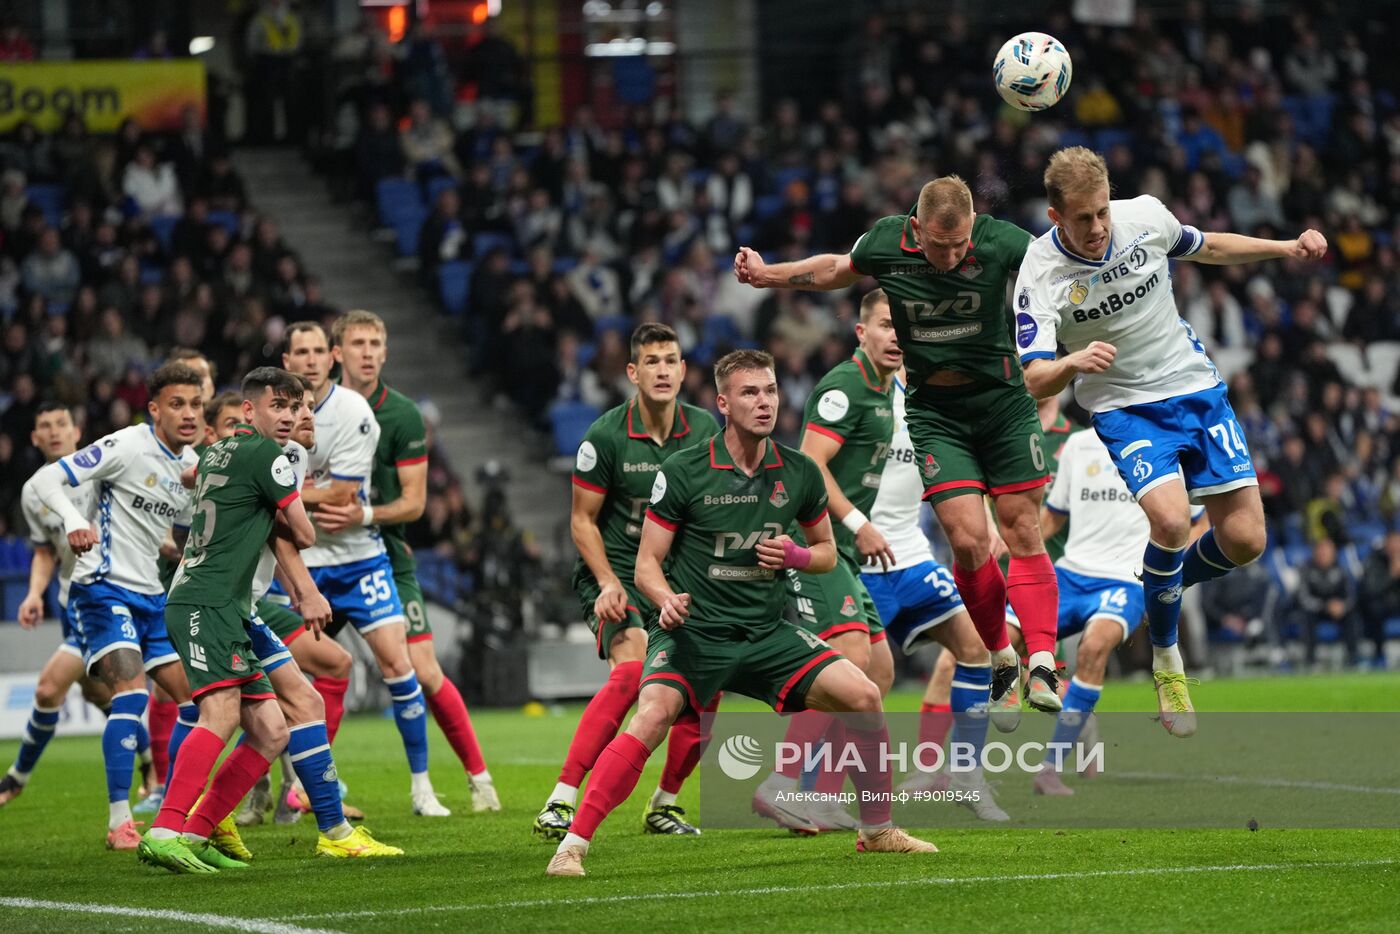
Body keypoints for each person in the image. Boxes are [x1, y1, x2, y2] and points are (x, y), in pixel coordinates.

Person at [546, 350, 935, 878]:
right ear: (723, 404)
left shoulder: (799, 471)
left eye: (770, 390)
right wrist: (666, 600)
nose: (765, 402)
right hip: (695, 633)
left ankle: (878, 830)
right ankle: (572, 845)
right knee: (652, 715)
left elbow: (826, 551)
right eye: (750, 392)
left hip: (767, 634)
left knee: (864, 695)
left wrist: (797, 555)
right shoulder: (684, 471)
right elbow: (646, 565)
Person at [1014, 146, 1327, 735]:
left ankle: (1158, 584)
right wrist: (1072, 362)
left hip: (1194, 387)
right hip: (1124, 407)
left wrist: (1285, 247)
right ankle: (1166, 661)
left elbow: (1208, 246)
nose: (1098, 227)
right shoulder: (1040, 271)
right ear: (1056, 217)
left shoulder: (1145, 217)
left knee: (1246, 540)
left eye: (1102, 211)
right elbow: (1033, 379)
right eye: (1082, 218)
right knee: (1172, 521)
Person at [734, 175, 1064, 714]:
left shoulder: (1002, 241)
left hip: (1004, 404)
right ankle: (1003, 658)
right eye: (939, 246)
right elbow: (836, 269)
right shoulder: (887, 244)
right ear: (916, 228)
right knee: (966, 543)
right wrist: (768, 274)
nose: (950, 258)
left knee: (1022, 529)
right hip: (936, 414)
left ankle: (1043, 662)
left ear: (973, 225)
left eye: (959, 246)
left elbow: (1063, 268)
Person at [754, 288, 996, 830]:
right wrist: (860, 525)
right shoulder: (845, 387)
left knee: (878, 672)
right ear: (861, 331)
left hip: (866, 552)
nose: (895, 336)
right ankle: (781, 783)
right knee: (848, 662)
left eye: (902, 326)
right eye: (885, 325)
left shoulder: (894, 391)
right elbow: (809, 465)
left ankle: (823, 794)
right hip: (820, 547)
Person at [197, 380, 401, 858]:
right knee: (218, 713)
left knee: (292, 710)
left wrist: (298, 589)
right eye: (290, 407)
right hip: (219, 605)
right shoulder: (268, 456)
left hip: (241, 604)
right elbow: (290, 534)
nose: (303, 415)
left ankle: (312, 823)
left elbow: (272, 530)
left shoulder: (289, 455)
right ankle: (178, 820)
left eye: (308, 407)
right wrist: (306, 593)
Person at [534, 323, 720, 840]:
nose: (663, 371)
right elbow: (581, 520)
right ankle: (561, 799)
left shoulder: (705, 429)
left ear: (684, 370)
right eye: (652, 362)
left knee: (707, 686)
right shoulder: (606, 436)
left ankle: (665, 804)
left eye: (671, 361)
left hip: (674, 578)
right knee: (632, 671)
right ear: (633, 373)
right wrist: (607, 583)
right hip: (615, 573)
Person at [319, 310, 499, 813]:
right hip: (316, 561)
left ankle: (479, 779)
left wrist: (363, 515)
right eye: (358, 343)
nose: (368, 352)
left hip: (384, 558)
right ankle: (287, 791)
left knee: (423, 668)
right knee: (293, 678)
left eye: (376, 343)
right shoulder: (312, 409)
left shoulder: (400, 415)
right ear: (337, 353)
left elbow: (415, 503)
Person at [134, 367, 313, 873]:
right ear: (250, 410)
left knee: (272, 729)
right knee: (220, 713)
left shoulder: (217, 451)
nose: (288, 416)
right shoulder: (267, 456)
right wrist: (279, 506)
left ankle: (197, 831)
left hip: (221, 605)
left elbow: (193, 478)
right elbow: (305, 534)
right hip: (205, 602)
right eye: (277, 406)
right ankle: (165, 830)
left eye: (294, 407)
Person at [27, 364, 203, 850]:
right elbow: (48, 481)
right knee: (131, 693)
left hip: (151, 595)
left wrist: (175, 549)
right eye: (177, 404)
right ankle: (120, 822)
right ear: (155, 410)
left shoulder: (191, 466)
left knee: (196, 702)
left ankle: (174, 809)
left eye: (195, 404)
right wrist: (72, 520)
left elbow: (175, 533)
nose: (188, 413)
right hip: (102, 587)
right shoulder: (127, 444)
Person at [280, 322, 447, 815]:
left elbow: (344, 493)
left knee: (400, 667)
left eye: (318, 351)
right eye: (301, 352)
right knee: (283, 681)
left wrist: (282, 492)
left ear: (330, 358)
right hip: (299, 563)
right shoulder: (274, 413)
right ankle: (287, 789)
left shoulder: (353, 410)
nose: (311, 360)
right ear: (287, 362)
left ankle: (422, 789)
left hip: (359, 559)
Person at [1031, 429, 1206, 796]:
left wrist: (1169, 575)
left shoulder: (1168, 445)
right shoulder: (1078, 445)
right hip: (1071, 573)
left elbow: (1199, 522)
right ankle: (1077, 713)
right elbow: (1053, 517)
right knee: (997, 642)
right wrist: (1012, 547)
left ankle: (1050, 768)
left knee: (1093, 648)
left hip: (1127, 579)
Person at [0, 403, 115, 806]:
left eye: (61, 424)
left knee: (49, 689)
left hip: (110, 597)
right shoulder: (34, 492)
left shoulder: (104, 470)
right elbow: (45, 552)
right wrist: (34, 593)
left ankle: (15, 778)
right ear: (34, 438)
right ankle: (151, 764)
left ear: (77, 431)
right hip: (71, 601)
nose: (54, 432)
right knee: (100, 694)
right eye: (45, 426)